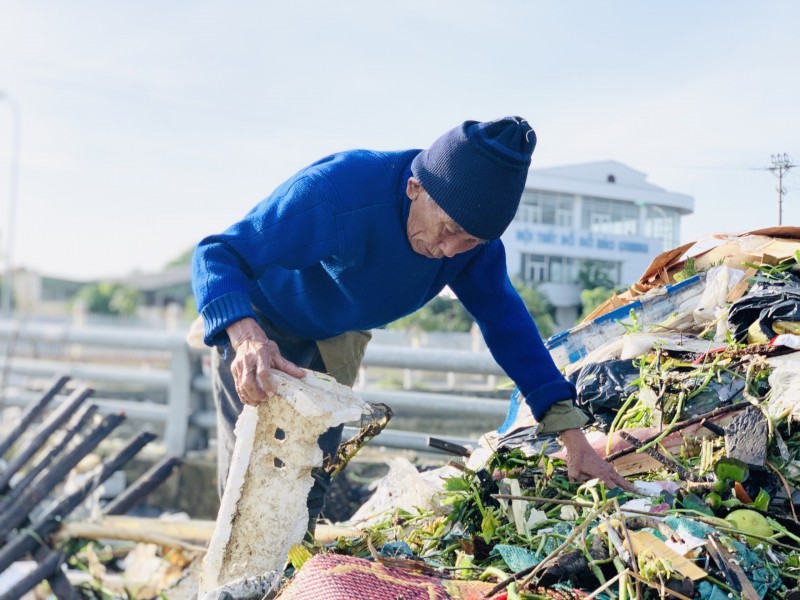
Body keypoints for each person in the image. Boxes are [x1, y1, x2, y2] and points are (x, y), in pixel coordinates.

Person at [191, 116, 634, 526]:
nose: (448, 250)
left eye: (469, 240)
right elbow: (217, 253)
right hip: (259, 324)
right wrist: (246, 334)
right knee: (250, 483)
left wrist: (574, 439)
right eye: (445, 229)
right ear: (414, 189)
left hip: (336, 334)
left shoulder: (471, 248)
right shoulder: (337, 193)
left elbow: (509, 327)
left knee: (307, 481)